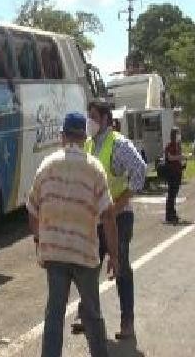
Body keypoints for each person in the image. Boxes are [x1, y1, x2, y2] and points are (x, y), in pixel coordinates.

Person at [28, 112, 119, 357]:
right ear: (84, 137)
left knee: (54, 314)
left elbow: (32, 208)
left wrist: (39, 241)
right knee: (92, 314)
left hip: (54, 254)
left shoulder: (46, 166)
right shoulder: (94, 168)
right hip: (84, 254)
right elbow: (108, 216)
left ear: (62, 136)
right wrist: (114, 255)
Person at [73, 100, 147, 340]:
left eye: (93, 116)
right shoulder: (87, 144)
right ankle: (87, 314)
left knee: (121, 266)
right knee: (89, 266)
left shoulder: (119, 144)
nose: (89, 121)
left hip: (118, 218)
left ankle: (127, 321)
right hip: (94, 219)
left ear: (105, 118)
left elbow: (140, 171)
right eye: (88, 116)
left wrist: (118, 205)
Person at [164, 127, 190, 224]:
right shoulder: (169, 145)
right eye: (177, 133)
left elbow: (178, 158)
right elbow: (170, 157)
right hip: (171, 173)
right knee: (171, 194)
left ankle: (172, 213)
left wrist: (183, 160)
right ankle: (169, 215)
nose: (179, 135)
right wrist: (180, 157)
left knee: (174, 194)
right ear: (173, 135)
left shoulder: (178, 145)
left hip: (177, 172)